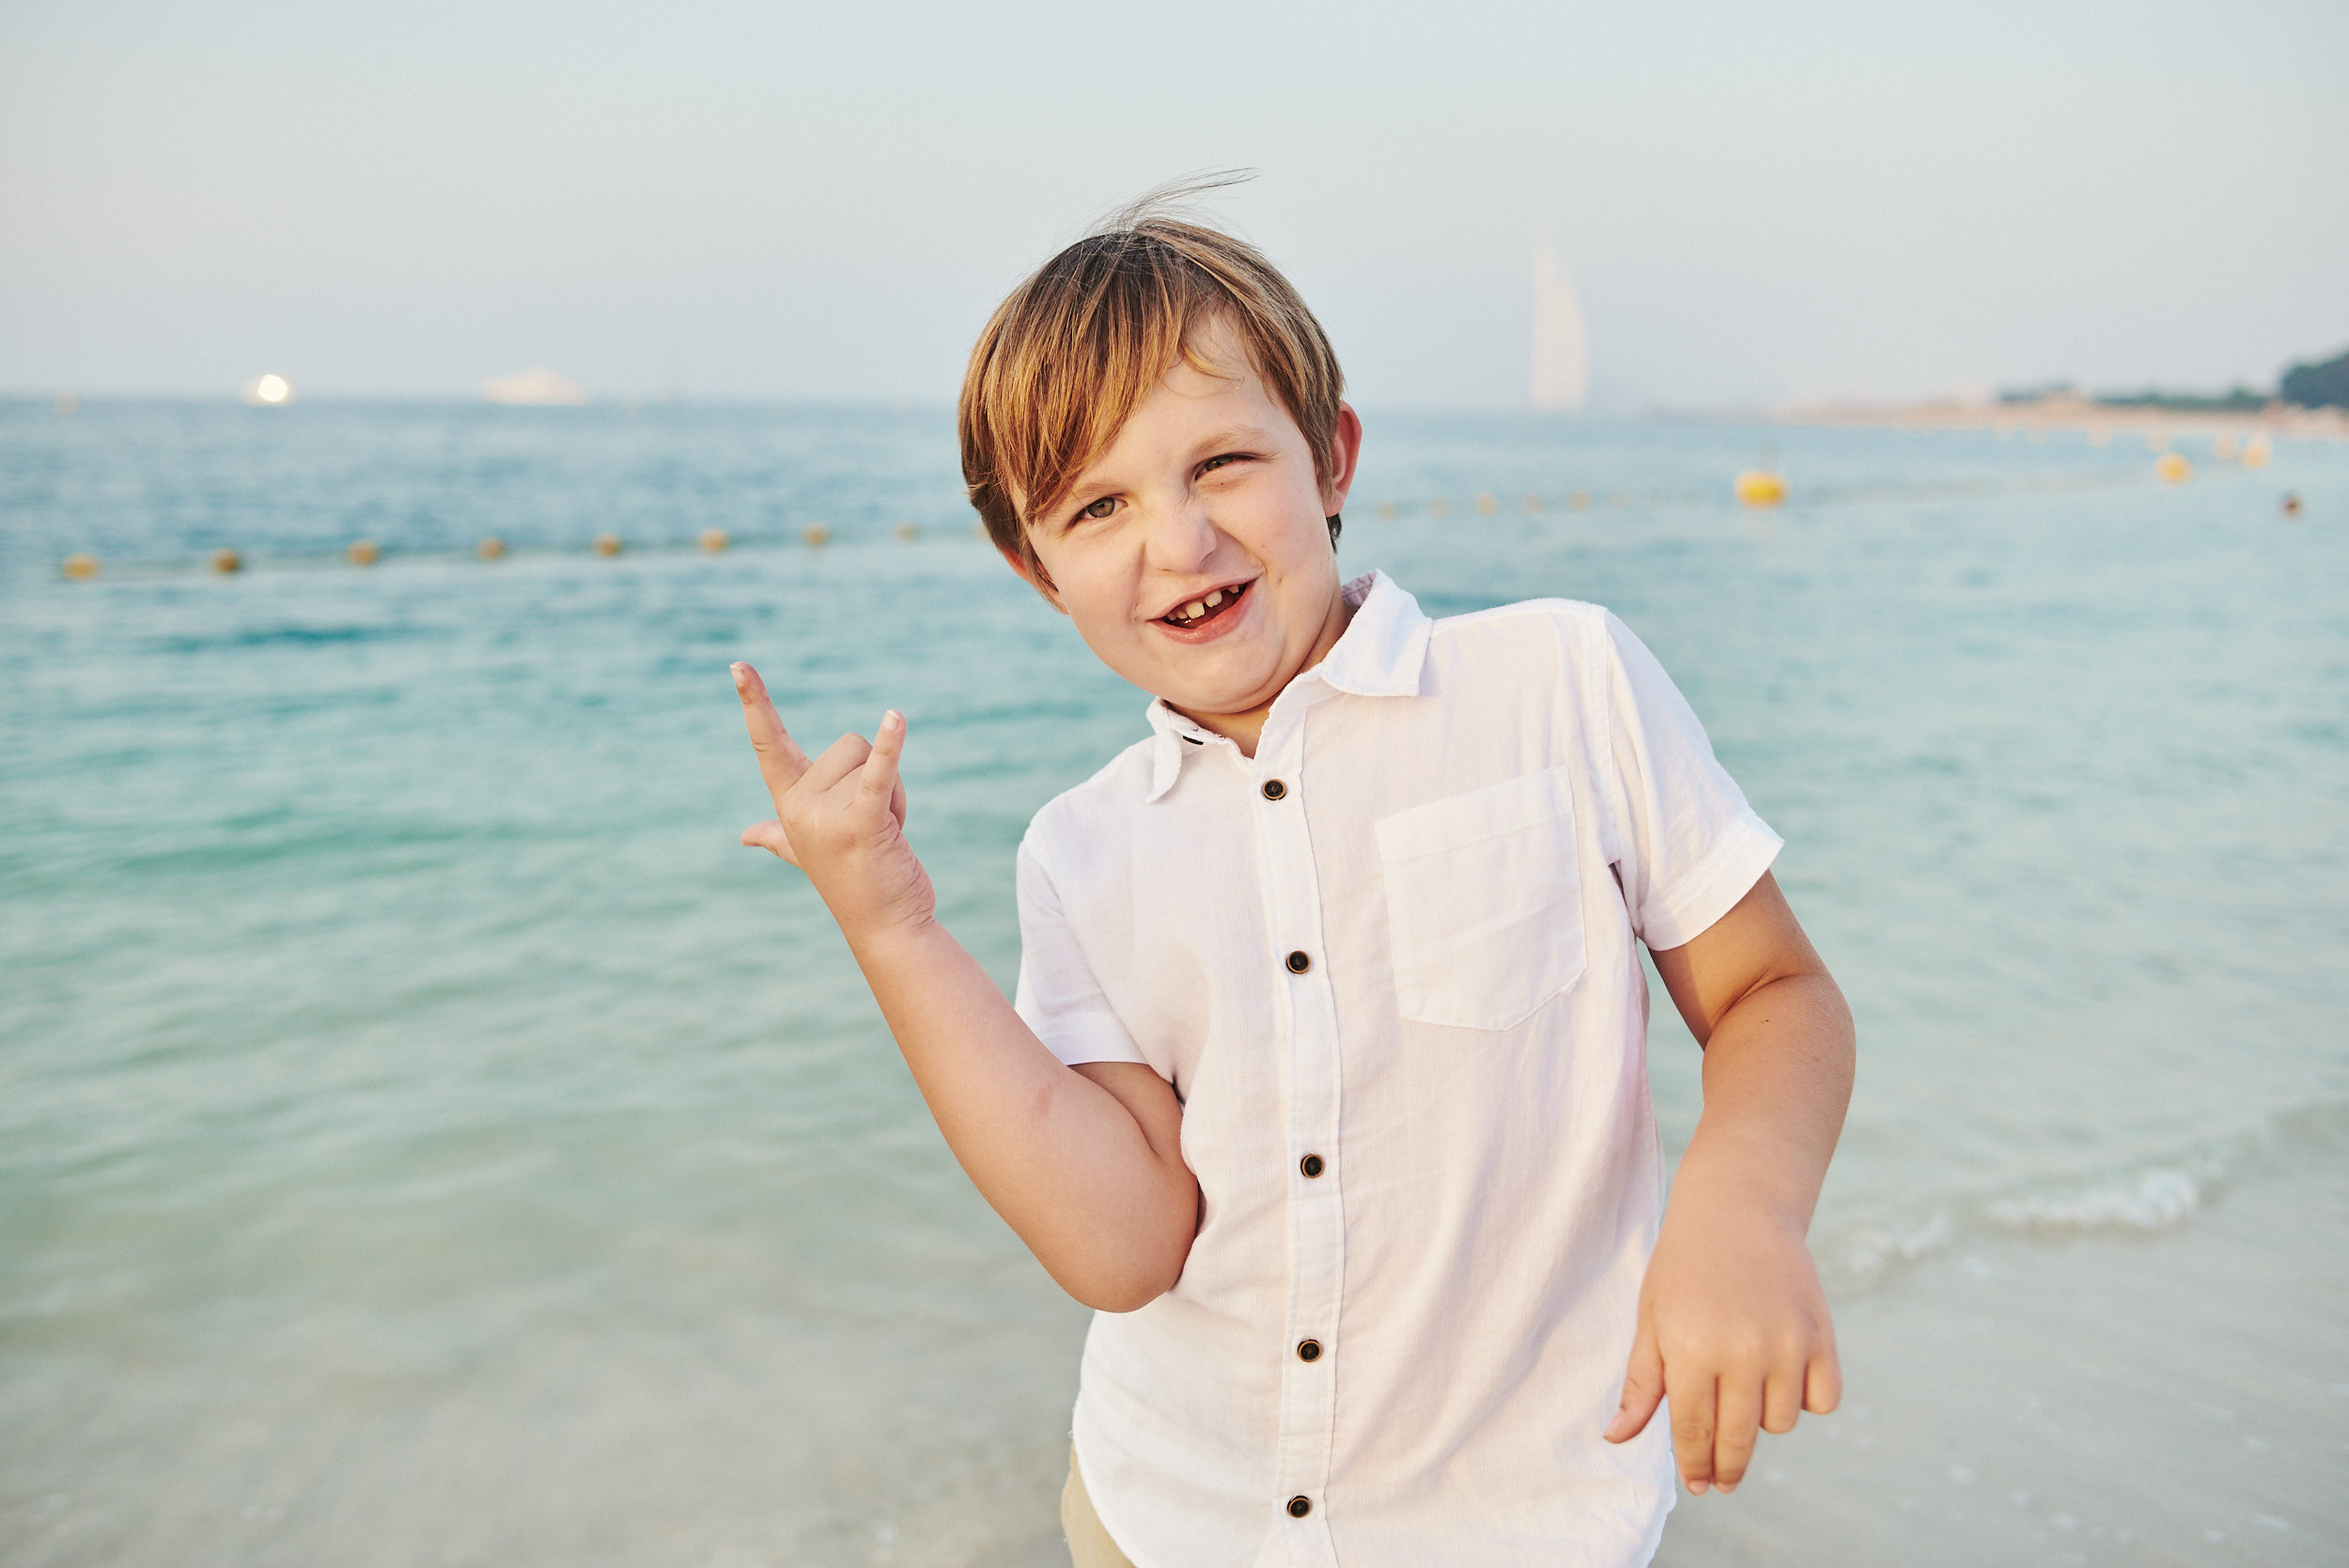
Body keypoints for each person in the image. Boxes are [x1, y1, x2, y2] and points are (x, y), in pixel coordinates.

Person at [729, 201, 1854, 1568]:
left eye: (1222, 462)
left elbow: (1773, 992)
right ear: (1037, 571)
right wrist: (892, 926)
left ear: (1332, 456)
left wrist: (1740, 1209)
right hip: (1166, 1520)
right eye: (1100, 506)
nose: (1179, 537)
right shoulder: (1082, 852)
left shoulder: (1564, 681)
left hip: (1517, 1524)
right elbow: (1127, 1246)